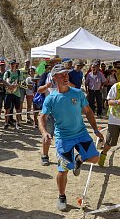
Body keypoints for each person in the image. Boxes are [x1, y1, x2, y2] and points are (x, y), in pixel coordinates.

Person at [38, 63, 104, 211]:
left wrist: (95, 130)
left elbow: (88, 111)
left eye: (66, 73)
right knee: (63, 170)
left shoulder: (77, 93)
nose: (65, 76)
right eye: (61, 74)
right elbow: (41, 118)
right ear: (54, 77)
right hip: (63, 138)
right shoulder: (51, 98)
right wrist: (44, 133)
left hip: (81, 134)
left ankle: (79, 159)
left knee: (95, 158)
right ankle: (61, 196)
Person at [3, 60, 23, 129]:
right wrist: (9, 86)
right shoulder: (7, 72)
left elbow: (20, 81)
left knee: (18, 109)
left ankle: (18, 123)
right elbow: (4, 81)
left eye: (14, 64)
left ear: (16, 64)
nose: (12, 65)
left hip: (16, 93)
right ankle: (6, 123)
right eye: (11, 64)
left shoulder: (19, 72)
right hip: (8, 93)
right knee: (7, 108)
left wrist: (15, 86)